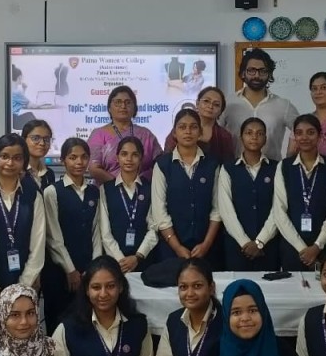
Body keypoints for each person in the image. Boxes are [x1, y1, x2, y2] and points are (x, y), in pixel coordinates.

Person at [53, 256, 154, 356]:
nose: (103, 294)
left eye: (110, 286)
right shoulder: (66, 329)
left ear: (121, 287)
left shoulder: (138, 326)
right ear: (87, 290)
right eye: (96, 287)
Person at [140, 258, 223, 356]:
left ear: (211, 288)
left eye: (197, 286)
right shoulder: (174, 321)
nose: (189, 293)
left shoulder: (226, 323)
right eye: (183, 287)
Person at [151, 109, 224, 269]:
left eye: (193, 127)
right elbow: (159, 212)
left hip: (207, 248)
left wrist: (206, 244)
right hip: (171, 248)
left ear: (200, 132)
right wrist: (177, 247)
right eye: (182, 127)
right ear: (174, 133)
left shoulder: (213, 164)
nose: (188, 131)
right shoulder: (162, 165)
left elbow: (217, 209)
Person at [42, 138, 101, 335]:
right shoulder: (52, 192)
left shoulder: (94, 192)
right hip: (59, 272)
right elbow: (53, 236)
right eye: (73, 157)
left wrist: (93, 268)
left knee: (86, 322)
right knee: (58, 325)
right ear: (63, 160)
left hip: (88, 269)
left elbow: (96, 232)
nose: (79, 162)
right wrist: (70, 269)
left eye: (84, 157)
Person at [269, 115, 326, 272]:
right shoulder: (284, 166)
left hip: (324, 246)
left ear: (320, 136)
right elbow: (279, 211)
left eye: (310, 132)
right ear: (294, 136)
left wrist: (317, 246)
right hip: (292, 247)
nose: (304, 137)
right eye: (299, 133)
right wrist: (302, 249)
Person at [0, 134, 47, 291]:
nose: (10, 163)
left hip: (25, 283)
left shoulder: (33, 196)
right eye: (4, 156)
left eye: (17, 158)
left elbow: (38, 247)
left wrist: (21, 289)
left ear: (24, 162)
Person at [217, 117, 280, 272]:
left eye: (259, 133)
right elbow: (226, 211)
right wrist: (245, 242)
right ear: (241, 137)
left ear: (265, 138)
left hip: (269, 245)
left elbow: (278, 208)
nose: (254, 137)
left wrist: (260, 242)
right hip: (237, 246)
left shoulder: (277, 168)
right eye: (249, 133)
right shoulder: (228, 169)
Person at [220, 48, 299, 161]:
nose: (257, 75)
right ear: (243, 73)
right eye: (251, 70)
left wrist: (289, 159)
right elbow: (213, 132)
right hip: (235, 168)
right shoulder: (228, 103)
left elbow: (302, 130)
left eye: (263, 71)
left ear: (269, 74)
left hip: (272, 169)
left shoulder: (283, 105)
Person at [98, 136, 158, 273]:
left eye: (135, 155)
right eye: (124, 154)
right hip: (115, 263)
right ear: (117, 157)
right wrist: (121, 261)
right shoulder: (106, 189)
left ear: (141, 159)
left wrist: (138, 257)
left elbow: (154, 228)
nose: (129, 159)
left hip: (144, 260)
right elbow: (105, 232)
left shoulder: (150, 188)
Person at [88, 85, 163, 184]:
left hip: (143, 189)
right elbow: (94, 169)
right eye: (118, 102)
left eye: (128, 102)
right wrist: (119, 186)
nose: (123, 106)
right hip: (108, 189)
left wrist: (141, 182)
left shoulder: (146, 134)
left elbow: (160, 164)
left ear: (134, 108)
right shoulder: (98, 134)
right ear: (109, 108)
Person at [165, 86, 237, 165]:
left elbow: (228, 165)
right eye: (206, 101)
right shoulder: (181, 128)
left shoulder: (224, 136)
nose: (210, 106)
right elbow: (167, 157)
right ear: (197, 103)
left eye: (216, 104)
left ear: (221, 110)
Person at [21, 119, 56, 191]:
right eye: (36, 138)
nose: (42, 143)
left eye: (46, 139)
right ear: (23, 140)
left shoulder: (49, 174)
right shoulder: (17, 171)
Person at [11, 65, 38, 130]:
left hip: (13, 119)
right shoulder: (16, 92)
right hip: (15, 120)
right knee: (30, 116)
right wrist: (43, 104)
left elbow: (20, 101)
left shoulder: (12, 90)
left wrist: (24, 89)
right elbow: (30, 105)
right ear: (19, 77)